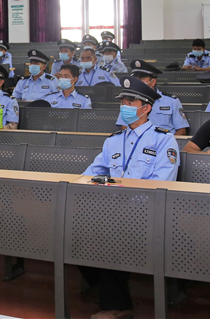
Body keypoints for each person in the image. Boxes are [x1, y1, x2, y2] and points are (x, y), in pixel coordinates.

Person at [81, 76, 179, 319]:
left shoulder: (163, 139)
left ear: (146, 108)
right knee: (74, 228)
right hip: (112, 207)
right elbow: (92, 173)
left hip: (145, 210)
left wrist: (126, 206)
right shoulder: (113, 141)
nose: (124, 106)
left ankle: (117, 305)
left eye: (130, 102)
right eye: (122, 101)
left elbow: (162, 182)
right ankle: (101, 284)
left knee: (110, 235)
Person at [117, 60, 190, 135]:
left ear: (153, 82)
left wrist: (167, 141)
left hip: (163, 140)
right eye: (136, 79)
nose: (138, 82)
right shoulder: (129, 101)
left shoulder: (171, 101)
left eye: (141, 79)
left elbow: (182, 130)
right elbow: (124, 127)